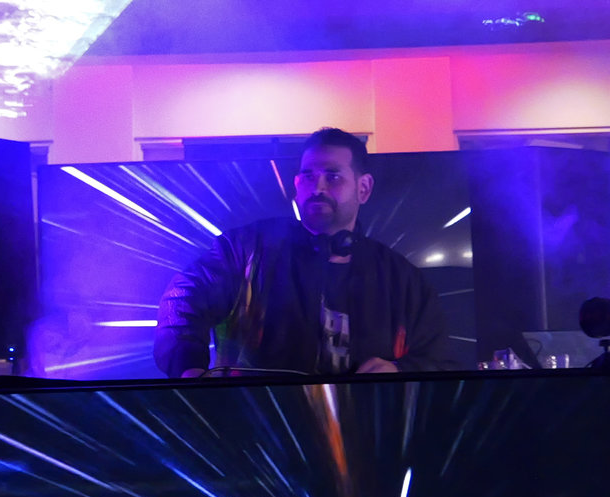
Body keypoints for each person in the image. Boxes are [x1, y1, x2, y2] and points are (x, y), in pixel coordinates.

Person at [153, 127, 449, 377]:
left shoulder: (402, 279)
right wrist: (188, 367)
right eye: (308, 176)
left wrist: (399, 370)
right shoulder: (246, 248)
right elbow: (182, 298)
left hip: (365, 425)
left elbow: (440, 359)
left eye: (332, 176)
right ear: (297, 185)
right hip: (254, 420)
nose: (318, 187)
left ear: (363, 188)